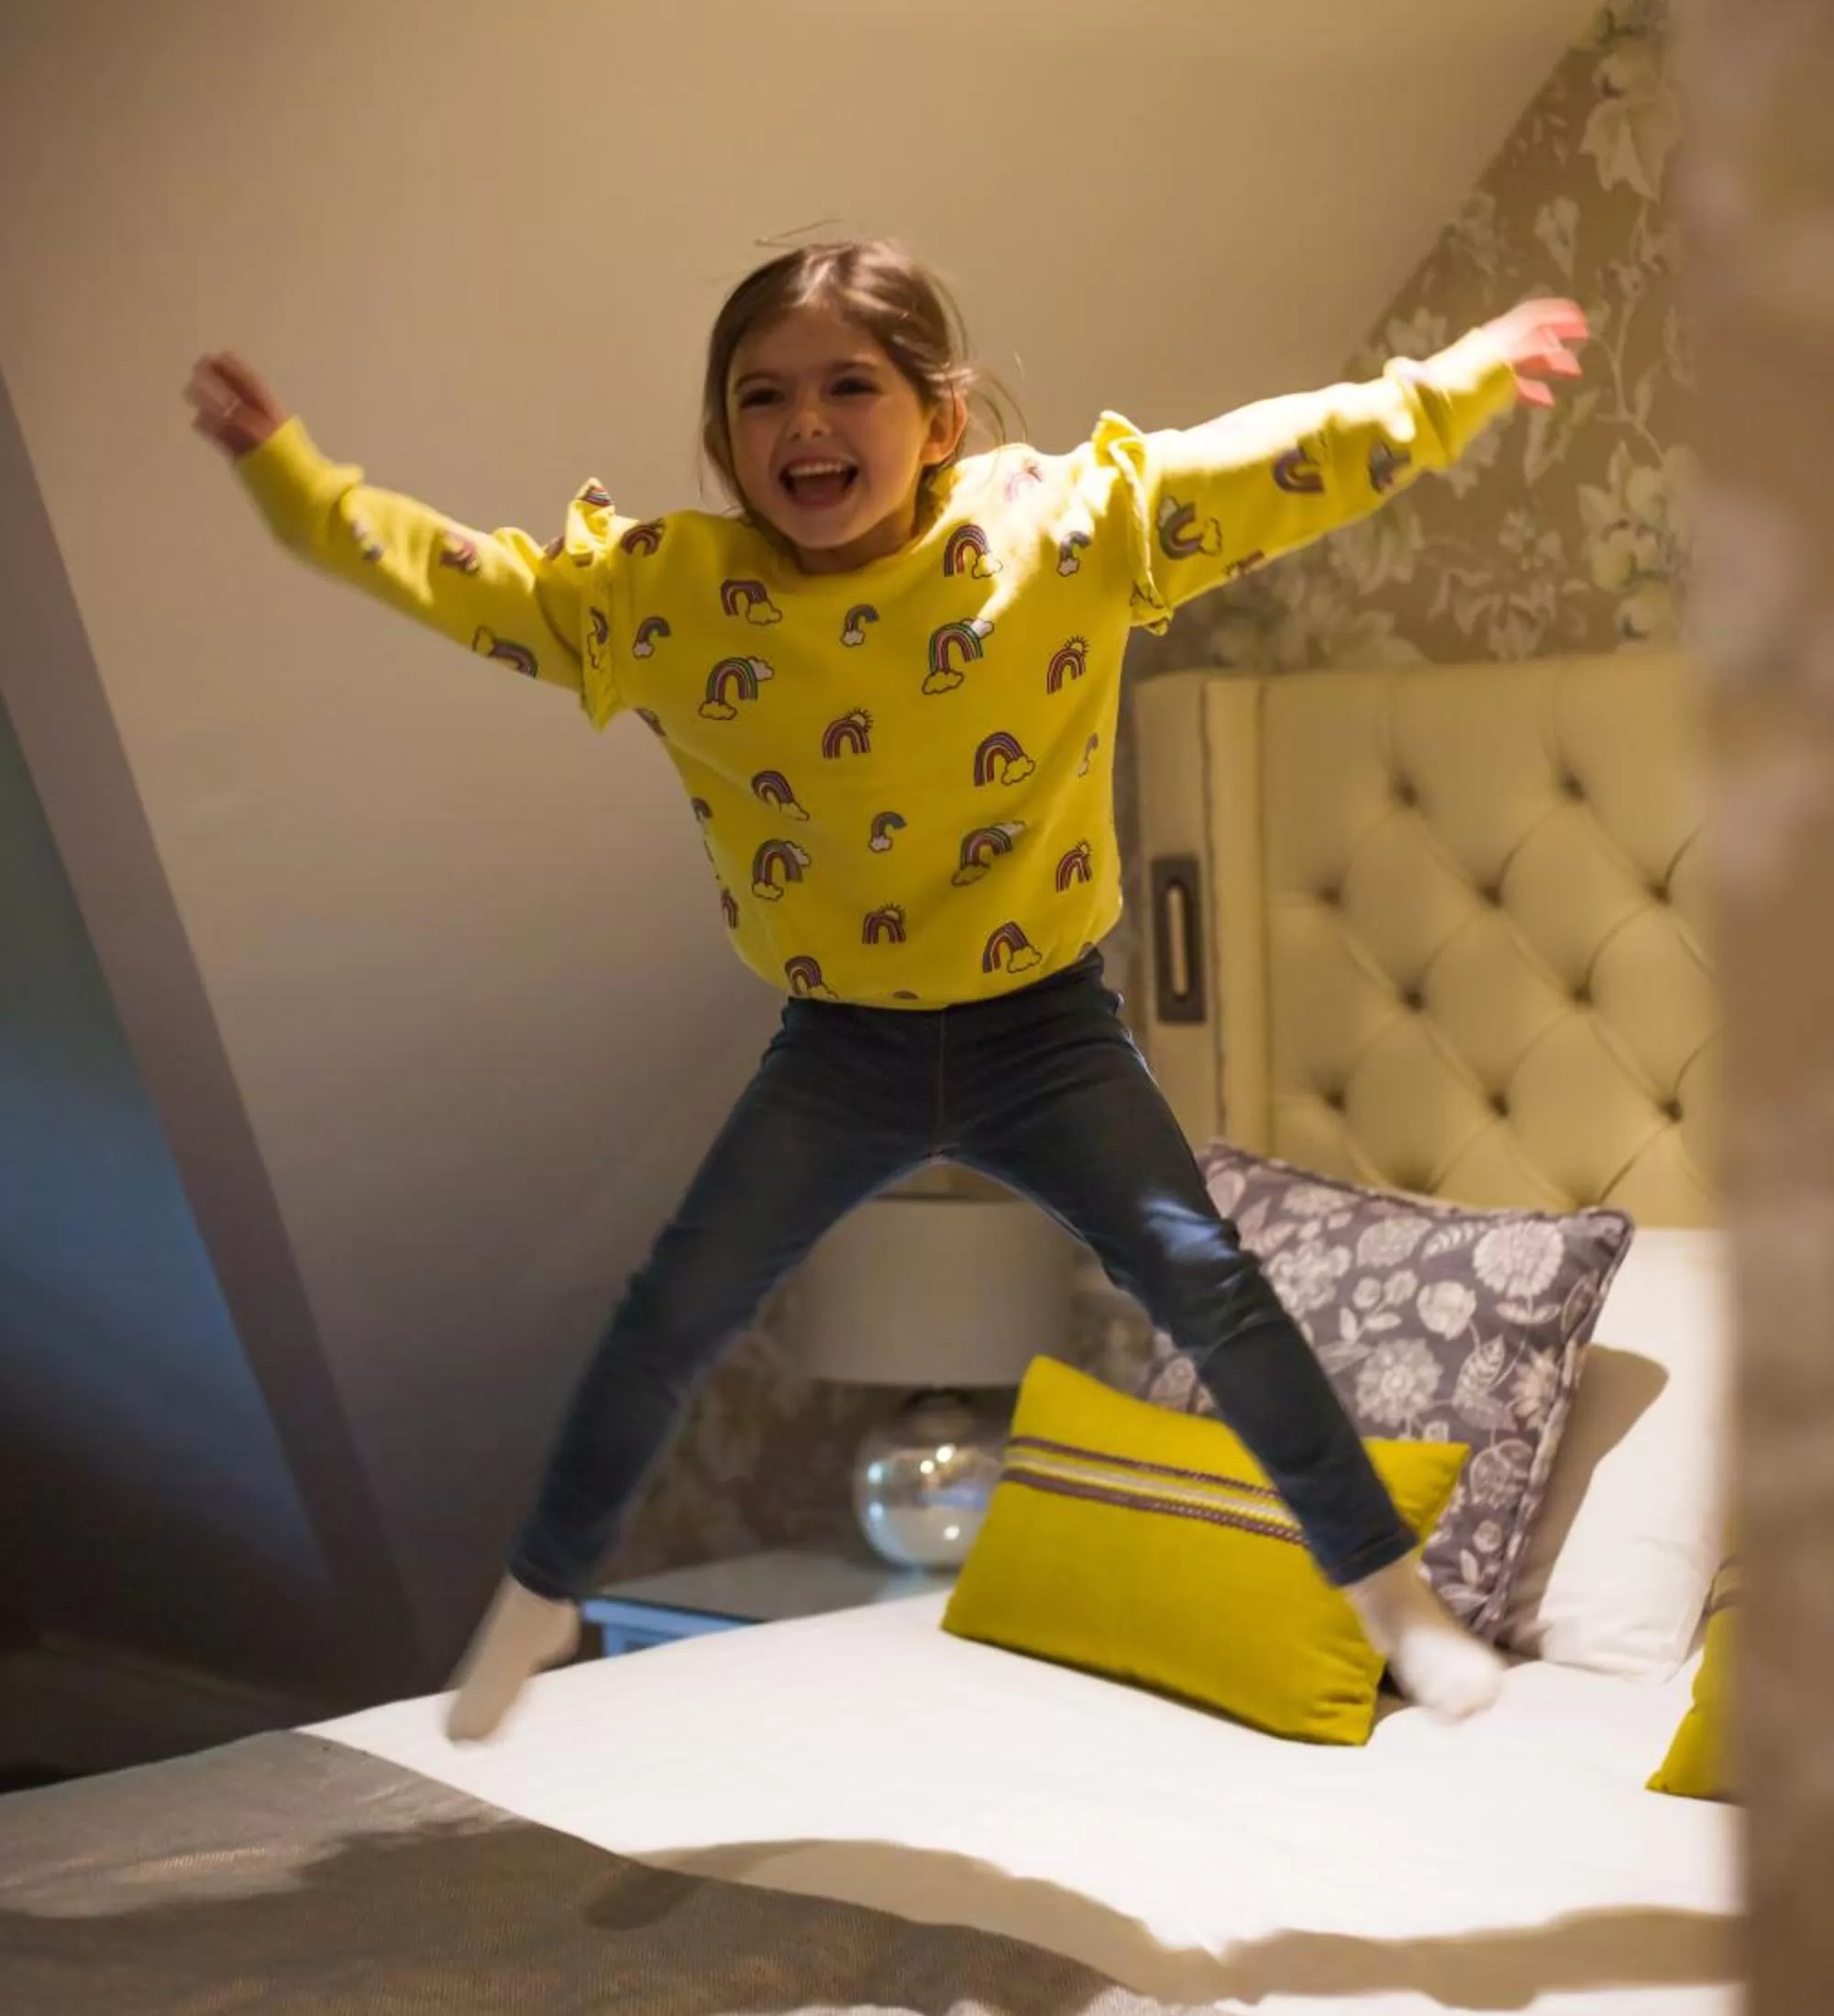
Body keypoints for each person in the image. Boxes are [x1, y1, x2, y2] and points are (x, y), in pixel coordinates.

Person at [184, 241, 1587, 1739]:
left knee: (1214, 1291)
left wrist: (1456, 384)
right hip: (835, 1050)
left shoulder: (1066, 530)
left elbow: (1278, 462)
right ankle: (539, 1597)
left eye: (851, 386)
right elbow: (472, 585)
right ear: (722, 441)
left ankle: (1387, 1594)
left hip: (1046, 1034)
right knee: (672, 1313)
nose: (805, 424)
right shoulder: (675, 597)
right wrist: (295, 480)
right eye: (762, 397)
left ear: (944, 417)